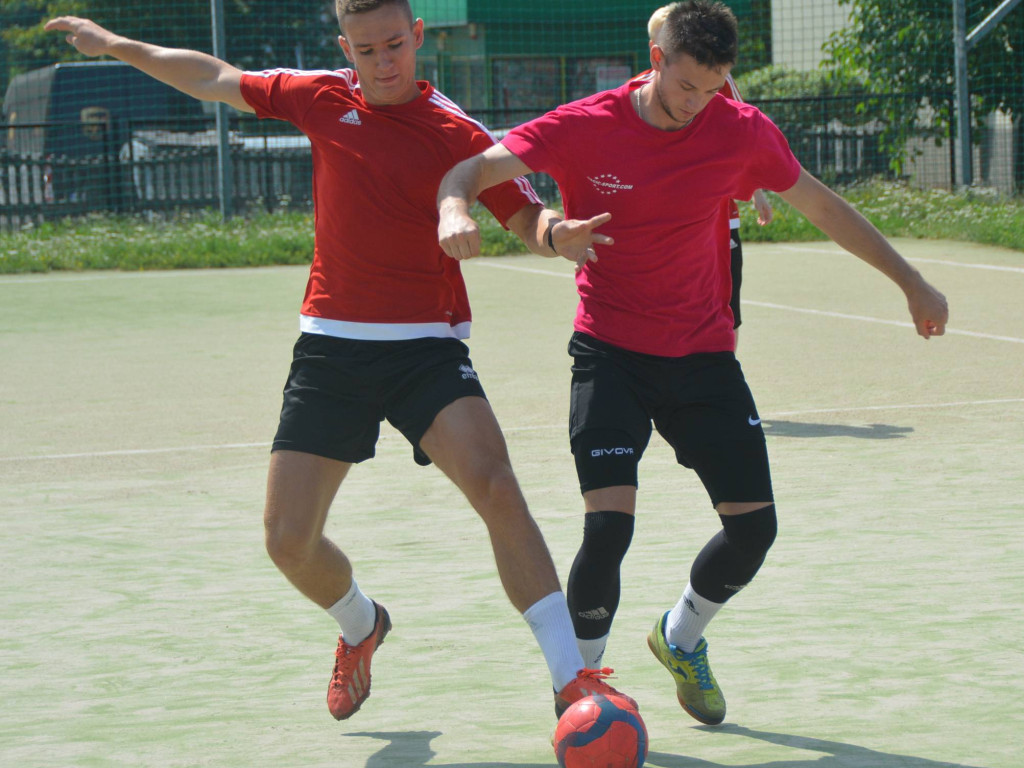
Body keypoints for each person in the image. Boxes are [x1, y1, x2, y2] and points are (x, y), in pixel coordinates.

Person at [46, 0, 634, 724]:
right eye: (366, 49)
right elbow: (214, 76)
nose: (383, 61)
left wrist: (555, 235)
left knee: (495, 483)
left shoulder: (459, 133)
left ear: (418, 37)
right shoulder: (321, 96)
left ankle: (569, 679)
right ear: (344, 47)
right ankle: (361, 625)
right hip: (330, 346)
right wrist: (113, 44)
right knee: (287, 541)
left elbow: (524, 213)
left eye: (395, 44)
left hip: (425, 346)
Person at [437, 0, 947, 727]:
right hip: (609, 352)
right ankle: (578, 687)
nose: (698, 105)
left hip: (702, 356)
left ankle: (679, 638)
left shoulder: (739, 130)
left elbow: (824, 206)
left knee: (755, 531)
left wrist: (912, 282)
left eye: (714, 89)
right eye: (686, 88)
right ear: (656, 61)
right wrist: (455, 209)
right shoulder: (586, 124)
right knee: (609, 528)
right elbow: (470, 168)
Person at [634, 2, 774, 347]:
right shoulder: (638, 95)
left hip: (721, 217)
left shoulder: (718, 80)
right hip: (667, 223)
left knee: (728, 306)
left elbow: (745, 138)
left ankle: (723, 365)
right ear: (656, 53)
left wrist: (756, 190)